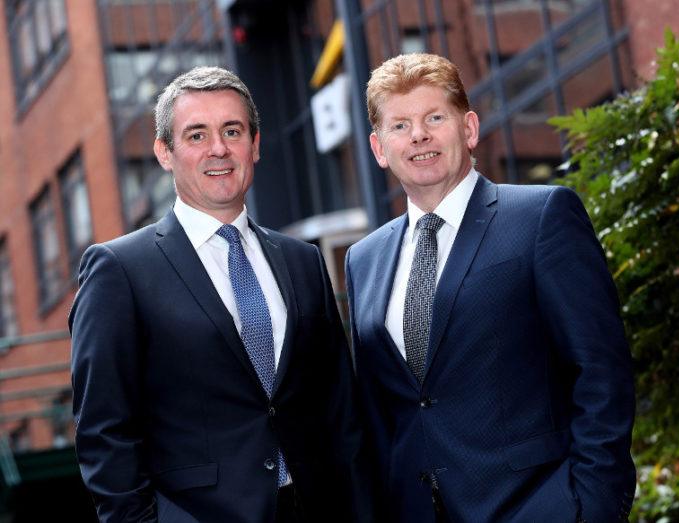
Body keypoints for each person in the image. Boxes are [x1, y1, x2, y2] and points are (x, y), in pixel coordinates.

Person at [70, 66, 373, 523]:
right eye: (196, 135)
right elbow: (104, 433)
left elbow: (339, 409)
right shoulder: (119, 271)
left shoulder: (302, 261)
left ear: (255, 144)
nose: (219, 148)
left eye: (232, 131)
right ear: (164, 152)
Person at [345, 53, 635, 522]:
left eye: (434, 117)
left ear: (469, 128)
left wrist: (595, 503)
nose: (418, 134)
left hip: (540, 506)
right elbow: (381, 411)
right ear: (380, 149)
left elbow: (601, 371)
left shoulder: (542, 217)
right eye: (400, 125)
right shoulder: (364, 259)